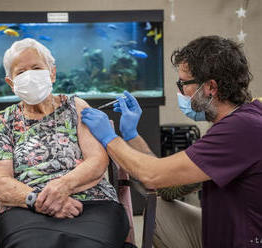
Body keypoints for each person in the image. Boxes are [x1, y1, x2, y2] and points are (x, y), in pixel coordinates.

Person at [81, 35, 262, 248]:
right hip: (225, 230)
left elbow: (152, 175)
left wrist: (109, 138)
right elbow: (168, 186)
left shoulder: (241, 130)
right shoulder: (239, 120)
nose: (180, 92)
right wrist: (131, 135)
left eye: (183, 83)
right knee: (160, 209)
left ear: (210, 87)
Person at [0, 38, 132, 248]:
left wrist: (61, 186)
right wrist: (39, 201)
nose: (30, 76)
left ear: (52, 72)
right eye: (21, 72)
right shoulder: (3, 120)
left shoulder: (76, 107)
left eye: (36, 67)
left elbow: (97, 162)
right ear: (11, 82)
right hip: (25, 208)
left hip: (92, 203)